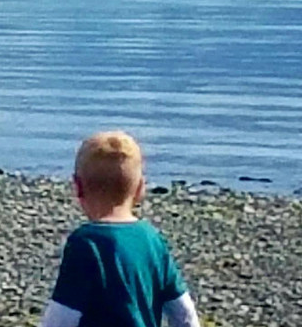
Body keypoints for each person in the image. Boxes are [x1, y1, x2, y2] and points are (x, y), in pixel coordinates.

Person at [40, 131, 201, 327]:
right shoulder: (152, 240)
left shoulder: (86, 242)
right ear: (141, 188)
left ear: (78, 187)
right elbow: (184, 314)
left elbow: (61, 318)